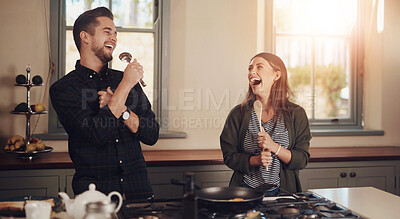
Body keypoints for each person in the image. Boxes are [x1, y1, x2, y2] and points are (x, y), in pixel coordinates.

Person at [50, 7, 159, 200]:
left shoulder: (124, 79)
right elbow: (96, 134)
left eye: (115, 34)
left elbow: (151, 134)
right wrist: (125, 86)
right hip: (95, 197)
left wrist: (122, 109)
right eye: (107, 32)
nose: (114, 38)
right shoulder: (64, 89)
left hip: (139, 191)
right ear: (85, 37)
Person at [220, 52, 311, 193]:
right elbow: (229, 156)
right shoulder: (238, 114)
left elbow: (301, 159)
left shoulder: (296, 114)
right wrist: (256, 160)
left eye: (259, 67)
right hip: (246, 191)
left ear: (276, 75)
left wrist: (274, 147)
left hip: (282, 193)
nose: (252, 72)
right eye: (250, 68)